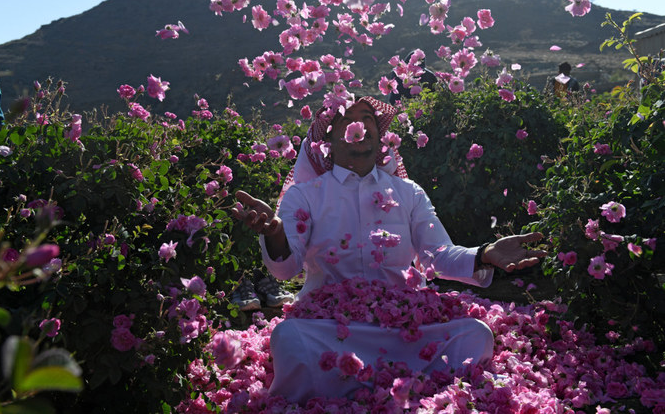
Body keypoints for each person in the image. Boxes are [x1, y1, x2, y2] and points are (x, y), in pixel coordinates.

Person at [232, 96, 546, 402]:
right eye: (347, 119)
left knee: (476, 335)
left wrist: (485, 253)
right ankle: (402, 388)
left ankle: (353, 389)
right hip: (330, 331)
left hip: (407, 333)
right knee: (289, 339)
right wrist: (275, 233)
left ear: (380, 136)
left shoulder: (408, 193)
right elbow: (286, 269)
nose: (360, 125)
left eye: (368, 118)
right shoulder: (305, 195)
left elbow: (438, 255)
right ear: (328, 138)